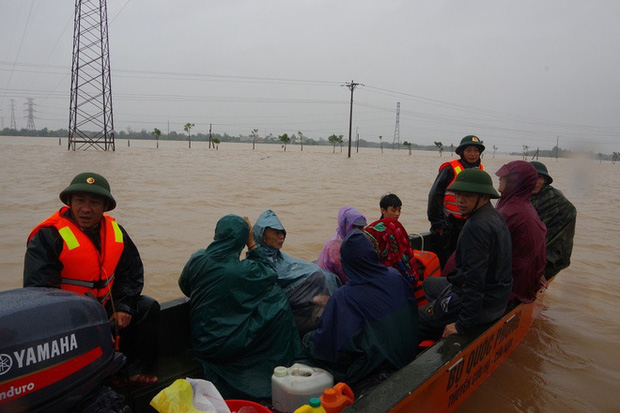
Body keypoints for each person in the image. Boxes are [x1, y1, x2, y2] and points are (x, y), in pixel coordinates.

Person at [24, 172, 159, 386]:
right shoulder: (48, 236)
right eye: (80, 201)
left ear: (105, 206)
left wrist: (123, 306)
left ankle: (131, 370)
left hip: (106, 308)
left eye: (94, 203)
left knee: (147, 307)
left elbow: (132, 273)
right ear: (69, 202)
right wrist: (86, 321)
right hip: (69, 317)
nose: (86, 209)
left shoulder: (116, 232)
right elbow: (39, 292)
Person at [179, 215, 299, 400]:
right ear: (242, 240)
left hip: (201, 338)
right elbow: (269, 274)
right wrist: (251, 244)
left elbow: (185, 286)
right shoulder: (243, 270)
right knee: (276, 297)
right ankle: (279, 359)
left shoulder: (197, 258)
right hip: (225, 345)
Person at [304, 230, 419, 384]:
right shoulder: (395, 276)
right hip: (408, 355)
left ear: (346, 263)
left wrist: (308, 340)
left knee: (306, 344)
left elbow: (329, 349)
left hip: (376, 371)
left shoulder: (344, 297)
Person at [418, 168, 512, 341]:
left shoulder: (476, 227)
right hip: (497, 299)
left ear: (484, 197)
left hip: (484, 305)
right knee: (430, 284)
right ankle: (440, 315)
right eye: (457, 194)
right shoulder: (494, 216)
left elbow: (474, 281)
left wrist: (462, 324)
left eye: (467, 196)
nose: (459, 201)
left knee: (418, 318)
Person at [253, 210, 340, 336]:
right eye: (276, 233)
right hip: (276, 309)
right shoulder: (257, 261)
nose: (281, 236)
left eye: (282, 232)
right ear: (263, 237)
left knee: (326, 276)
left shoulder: (277, 255)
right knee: (320, 276)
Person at [427, 135, 485, 268]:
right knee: (447, 261)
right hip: (449, 225)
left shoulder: (480, 170)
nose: (472, 154)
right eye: (469, 150)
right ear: (462, 152)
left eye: (476, 151)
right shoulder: (449, 169)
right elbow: (435, 195)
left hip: (469, 224)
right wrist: (438, 223)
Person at [495, 160, 547, 303]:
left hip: (512, 288)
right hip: (521, 283)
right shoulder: (524, 205)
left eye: (504, 177)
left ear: (514, 182)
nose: (499, 179)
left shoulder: (511, 212)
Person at [530, 161, 577, 279]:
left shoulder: (557, 202)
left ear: (545, 180)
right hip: (528, 258)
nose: (536, 182)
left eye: (539, 178)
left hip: (550, 260)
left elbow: (558, 240)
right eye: (532, 177)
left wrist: (542, 265)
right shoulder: (520, 194)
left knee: (535, 294)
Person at [317, 206, 367, 284]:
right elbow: (344, 275)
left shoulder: (356, 241)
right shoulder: (336, 246)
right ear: (345, 225)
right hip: (331, 283)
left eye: (361, 228)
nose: (358, 231)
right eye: (354, 227)